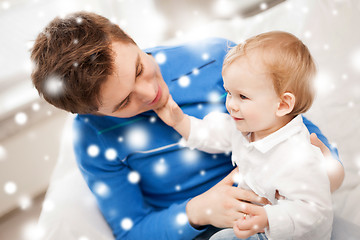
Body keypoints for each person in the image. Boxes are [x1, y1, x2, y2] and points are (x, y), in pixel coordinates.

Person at [30, 12, 344, 240]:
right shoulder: (92, 138)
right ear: (93, 113)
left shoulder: (213, 58)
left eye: (140, 68)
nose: (150, 93)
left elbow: (295, 125)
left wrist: (324, 168)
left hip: (280, 207)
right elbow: (132, 231)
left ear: (130, 39)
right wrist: (198, 211)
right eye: (124, 102)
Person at [154, 31, 334, 240]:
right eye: (229, 93)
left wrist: (268, 218)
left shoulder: (298, 156)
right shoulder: (246, 127)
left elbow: (316, 213)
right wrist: (179, 122)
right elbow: (211, 134)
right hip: (256, 226)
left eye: (242, 96)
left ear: (282, 104)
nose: (230, 104)